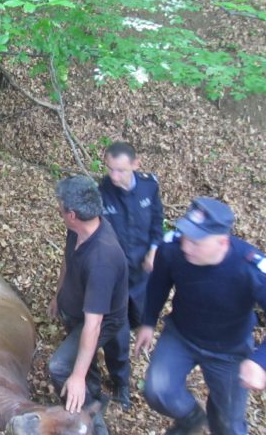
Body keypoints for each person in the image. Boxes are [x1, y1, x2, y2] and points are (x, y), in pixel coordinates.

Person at [134, 197, 266, 435]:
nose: (186, 246)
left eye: (196, 242)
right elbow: (158, 284)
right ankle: (191, 419)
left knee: (229, 424)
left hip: (229, 351)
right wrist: (148, 322)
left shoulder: (252, 269)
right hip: (181, 335)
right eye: (185, 236)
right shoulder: (172, 249)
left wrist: (260, 361)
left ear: (221, 241)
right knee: (158, 391)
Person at [48, 175, 128, 434]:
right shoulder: (77, 229)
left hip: (100, 320)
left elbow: (93, 326)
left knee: (60, 367)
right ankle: (92, 391)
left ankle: (90, 418)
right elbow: (67, 261)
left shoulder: (102, 258)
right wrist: (58, 296)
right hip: (78, 309)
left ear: (72, 214)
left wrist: (77, 377)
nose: (57, 209)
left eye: (59, 207)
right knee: (82, 358)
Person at [97, 142, 164, 410]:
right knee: (118, 336)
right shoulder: (103, 192)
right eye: (110, 169)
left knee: (143, 321)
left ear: (136, 165)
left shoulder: (149, 186)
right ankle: (121, 382)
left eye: (121, 170)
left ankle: (149, 360)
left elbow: (157, 220)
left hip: (144, 274)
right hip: (116, 278)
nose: (115, 176)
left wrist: (155, 249)